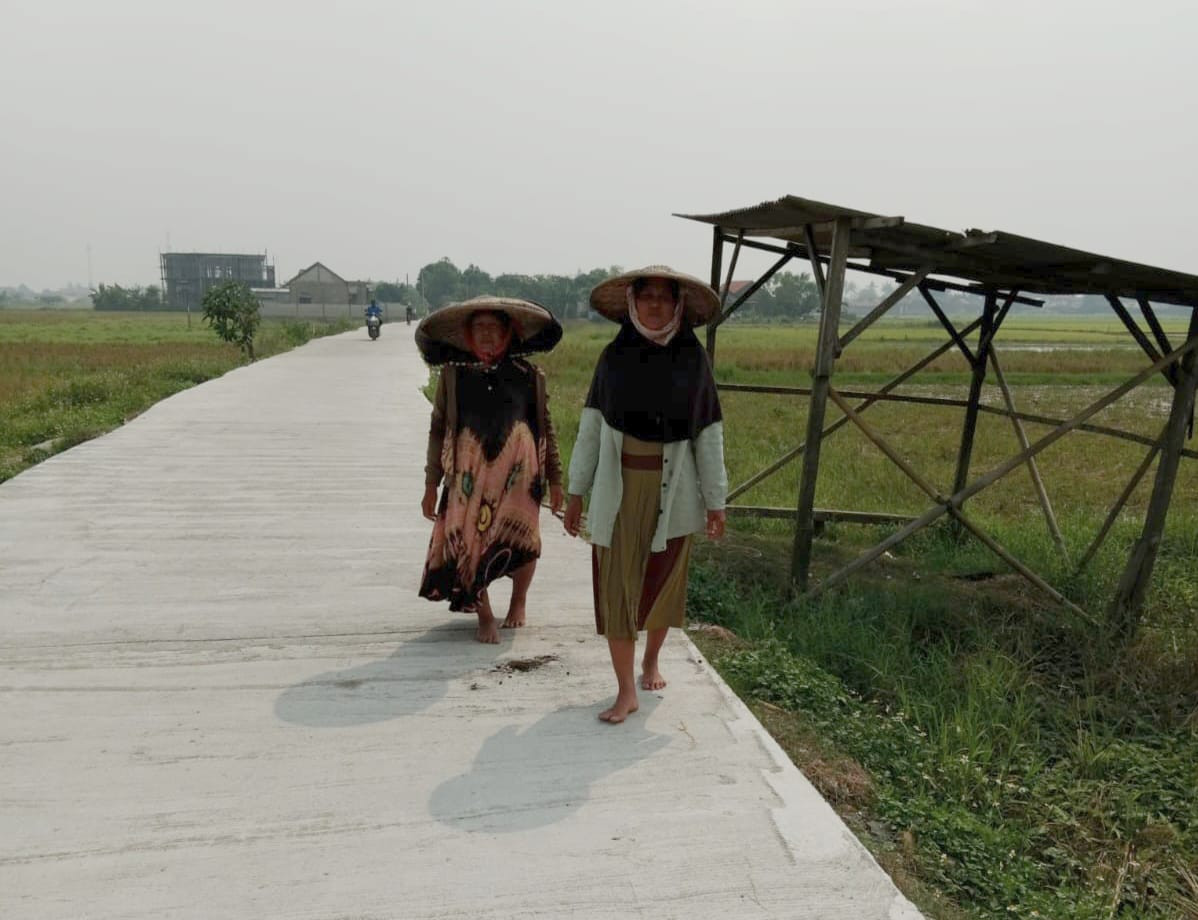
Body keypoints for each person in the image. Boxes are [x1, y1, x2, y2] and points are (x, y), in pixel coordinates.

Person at [563, 266, 727, 723]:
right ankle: (624, 691)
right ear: (633, 304)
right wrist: (576, 493)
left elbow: (709, 437)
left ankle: (651, 660)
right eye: (646, 295)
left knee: (661, 582)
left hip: (673, 493)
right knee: (616, 587)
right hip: (619, 490)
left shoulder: (693, 362)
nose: (655, 305)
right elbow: (591, 432)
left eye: (664, 297)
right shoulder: (612, 360)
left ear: (678, 306)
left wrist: (716, 500)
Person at [417, 296, 564, 643]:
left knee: (524, 541)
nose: (486, 334)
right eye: (479, 327)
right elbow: (438, 429)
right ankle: (483, 615)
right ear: (468, 334)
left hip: (519, 480)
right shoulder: (453, 377)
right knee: (470, 546)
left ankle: (518, 602)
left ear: (508, 333)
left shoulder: (528, 376)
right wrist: (430, 484)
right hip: (468, 480)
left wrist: (556, 479)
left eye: (494, 327)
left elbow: (546, 427)